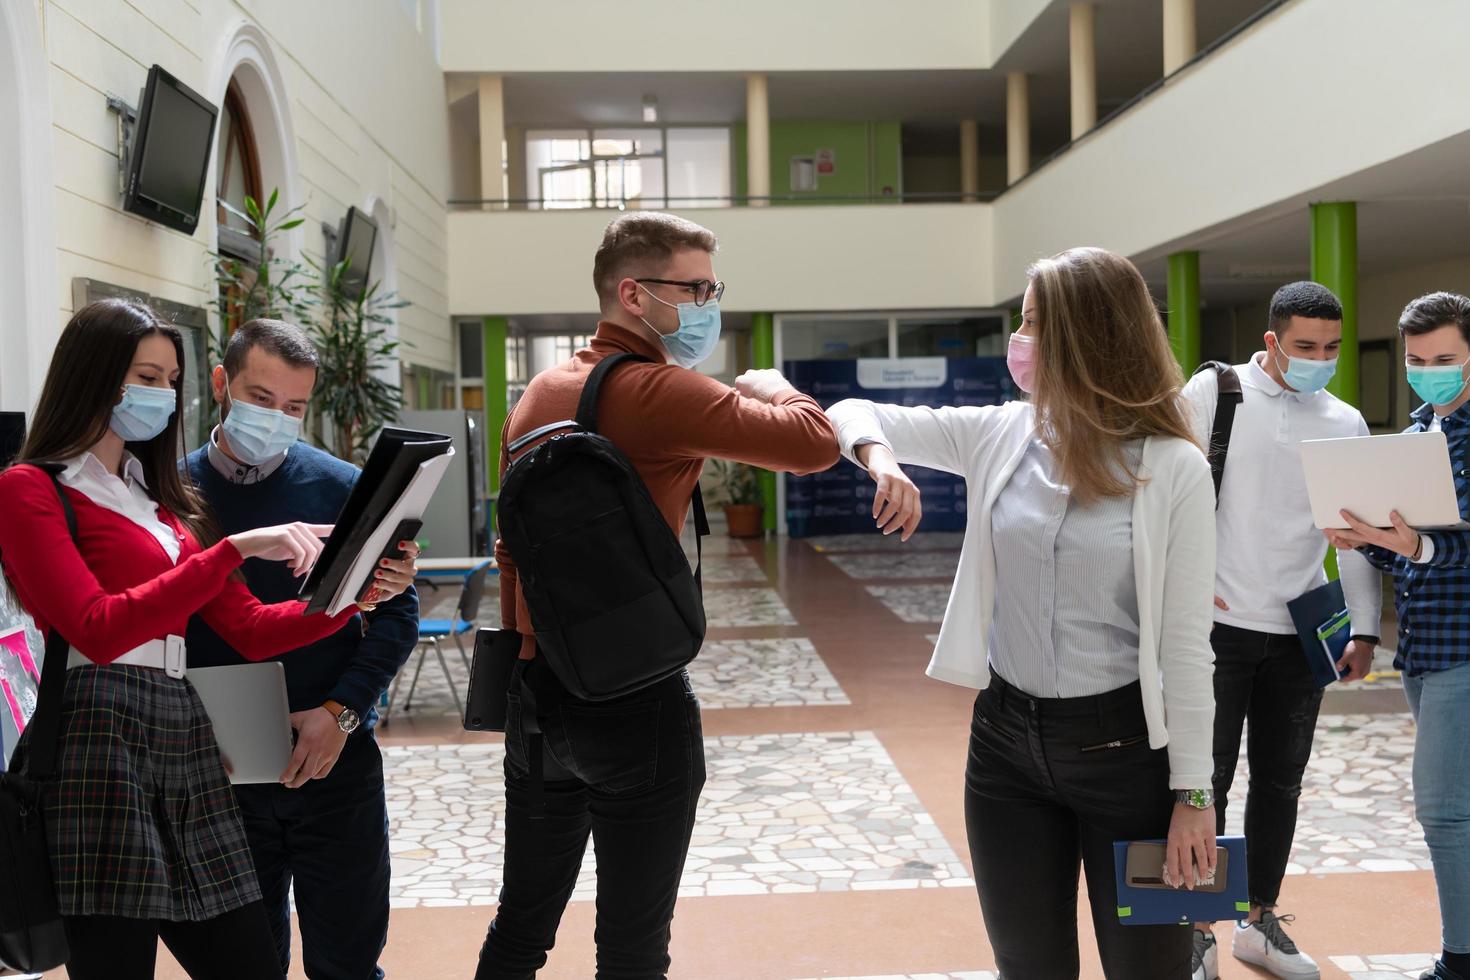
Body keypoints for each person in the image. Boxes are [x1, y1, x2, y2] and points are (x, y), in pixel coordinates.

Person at [827, 246, 1217, 980]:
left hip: (1130, 756)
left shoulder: (1172, 466)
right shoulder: (1003, 432)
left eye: (1036, 323)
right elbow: (850, 411)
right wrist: (882, 460)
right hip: (1005, 745)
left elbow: (1188, 649)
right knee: (1027, 965)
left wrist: (1195, 796)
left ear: (1087, 335)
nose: (1021, 340)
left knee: (1152, 969)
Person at [476, 211, 839, 979]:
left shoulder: (540, 393)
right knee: (633, 946)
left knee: (520, 925)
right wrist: (775, 386)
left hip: (538, 695)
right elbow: (814, 444)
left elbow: (513, 550)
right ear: (634, 293)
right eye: (696, 287)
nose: (710, 303)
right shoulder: (662, 391)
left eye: (715, 286)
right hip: (634, 700)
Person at [0, 299, 410, 980]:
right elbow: (96, 629)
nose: (160, 395)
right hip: (99, 733)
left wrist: (357, 593)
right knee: (116, 963)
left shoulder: (159, 500)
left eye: (168, 380)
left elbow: (251, 630)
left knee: (247, 961)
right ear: (93, 375)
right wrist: (233, 550)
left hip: (180, 727)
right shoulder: (31, 488)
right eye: (144, 377)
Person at [183, 319, 420, 980]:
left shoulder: (345, 488)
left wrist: (341, 713)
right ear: (222, 384)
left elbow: (396, 618)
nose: (277, 419)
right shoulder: (173, 494)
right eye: (261, 399)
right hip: (218, 771)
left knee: (348, 963)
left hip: (332, 761)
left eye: (294, 408)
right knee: (240, 966)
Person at [1179, 281, 1383, 980]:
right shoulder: (1216, 394)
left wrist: (1365, 630)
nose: (1319, 359)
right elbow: (1159, 493)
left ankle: (1258, 921)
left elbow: (1352, 538)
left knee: (1281, 783)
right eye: (1304, 347)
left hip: (1302, 633)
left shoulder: (1345, 421)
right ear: (1271, 341)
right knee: (1203, 784)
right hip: (1214, 629)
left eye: (1330, 348)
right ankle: (1196, 929)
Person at [1326, 291, 1470, 980]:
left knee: (1444, 813)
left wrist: (1416, 548)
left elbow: (1441, 549)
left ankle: (1461, 960)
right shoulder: (1414, 440)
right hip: (1422, 650)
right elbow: (1404, 550)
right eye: (1417, 361)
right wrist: (1363, 539)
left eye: (1445, 359)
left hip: (1465, 654)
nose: (1428, 372)